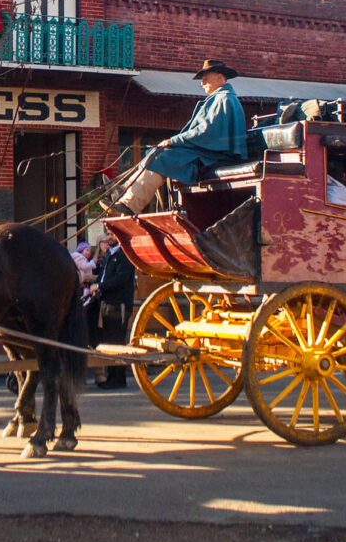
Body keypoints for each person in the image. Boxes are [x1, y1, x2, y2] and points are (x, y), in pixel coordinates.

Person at [105, 59, 248, 216]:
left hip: (215, 155)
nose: (202, 83)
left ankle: (130, 203)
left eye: (206, 78)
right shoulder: (219, 99)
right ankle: (123, 190)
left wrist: (174, 141)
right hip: (208, 151)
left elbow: (206, 131)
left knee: (162, 157)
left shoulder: (224, 99)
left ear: (220, 77)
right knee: (155, 152)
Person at [93, 233, 137, 388]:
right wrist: (97, 286)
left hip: (119, 303)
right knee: (109, 341)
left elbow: (121, 279)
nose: (108, 238)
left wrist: (100, 286)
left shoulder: (124, 255)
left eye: (111, 234)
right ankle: (111, 376)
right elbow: (103, 277)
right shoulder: (110, 255)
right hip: (107, 302)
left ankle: (118, 379)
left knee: (117, 341)